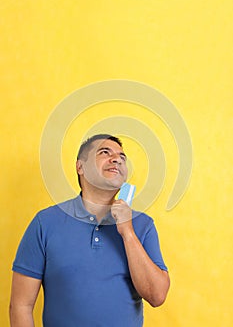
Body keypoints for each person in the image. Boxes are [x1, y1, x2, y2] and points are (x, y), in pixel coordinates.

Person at [10, 134, 170, 327]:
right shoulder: (45, 223)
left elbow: (157, 295)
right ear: (80, 167)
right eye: (105, 152)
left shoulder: (143, 225)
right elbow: (21, 305)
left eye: (122, 157)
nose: (116, 159)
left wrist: (127, 232)